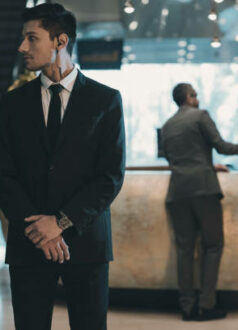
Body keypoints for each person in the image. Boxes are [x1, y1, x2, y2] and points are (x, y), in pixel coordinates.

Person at [0, 3, 125, 330]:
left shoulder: (106, 100)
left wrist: (61, 222)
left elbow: (110, 176)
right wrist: (39, 230)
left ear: (60, 41)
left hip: (86, 243)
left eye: (31, 38)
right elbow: (3, 173)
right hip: (28, 244)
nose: (21, 47)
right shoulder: (11, 103)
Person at [161, 83, 238, 321]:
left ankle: (187, 308)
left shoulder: (167, 126)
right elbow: (221, 146)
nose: (198, 98)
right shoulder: (200, 115)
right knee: (212, 246)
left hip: (177, 191)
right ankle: (207, 305)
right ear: (190, 97)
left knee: (184, 251)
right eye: (195, 94)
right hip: (203, 189)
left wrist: (206, 163)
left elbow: (176, 159)